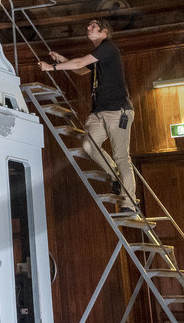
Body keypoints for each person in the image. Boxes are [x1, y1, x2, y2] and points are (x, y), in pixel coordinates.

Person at [38, 19, 137, 210]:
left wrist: (52, 67)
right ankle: (115, 176)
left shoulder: (109, 48)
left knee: (121, 156)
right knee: (88, 146)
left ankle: (129, 203)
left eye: (93, 25)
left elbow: (82, 62)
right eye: (89, 25)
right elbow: (81, 69)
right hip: (98, 112)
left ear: (104, 31)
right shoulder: (99, 54)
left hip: (118, 111)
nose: (88, 27)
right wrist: (61, 59)